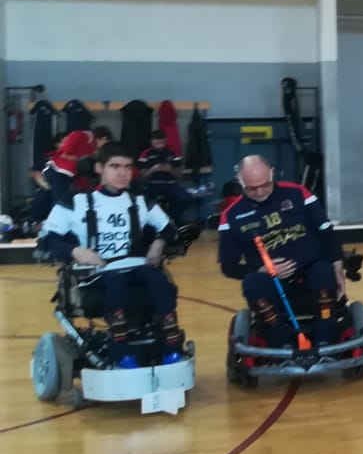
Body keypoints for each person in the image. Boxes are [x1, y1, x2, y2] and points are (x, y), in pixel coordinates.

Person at [39, 143, 183, 367]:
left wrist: (159, 242)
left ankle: (171, 348)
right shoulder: (76, 201)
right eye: (114, 166)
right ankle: (121, 350)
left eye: (127, 167)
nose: (122, 173)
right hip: (98, 271)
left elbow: (168, 228)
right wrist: (75, 250)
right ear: (99, 168)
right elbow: (48, 238)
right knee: (115, 281)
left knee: (158, 280)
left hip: (137, 266)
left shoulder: (139, 200)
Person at [218, 156, 346, 349]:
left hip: (310, 270)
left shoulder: (298, 193)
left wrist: (338, 267)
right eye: (252, 188)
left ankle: (326, 337)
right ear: (241, 183)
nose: (260, 192)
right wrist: (261, 269)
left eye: (265, 185)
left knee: (323, 272)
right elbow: (228, 266)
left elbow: (326, 233)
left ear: (272, 173)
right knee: (252, 284)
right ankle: (281, 340)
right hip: (270, 281)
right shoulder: (231, 215)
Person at [136, 130, 189, 221]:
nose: (160, 145)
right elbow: (142, 176)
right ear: (152, 142)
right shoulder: (145, 154)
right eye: (157, 143)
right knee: (141, 200)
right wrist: (153, 170)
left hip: (170, 184)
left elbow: (179, 175)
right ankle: (149, 223)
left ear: (165, 141)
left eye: (162, 142)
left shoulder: (173, 153)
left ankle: (170, 219)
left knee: (185, 198)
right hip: (152, 185)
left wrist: (170, 170)